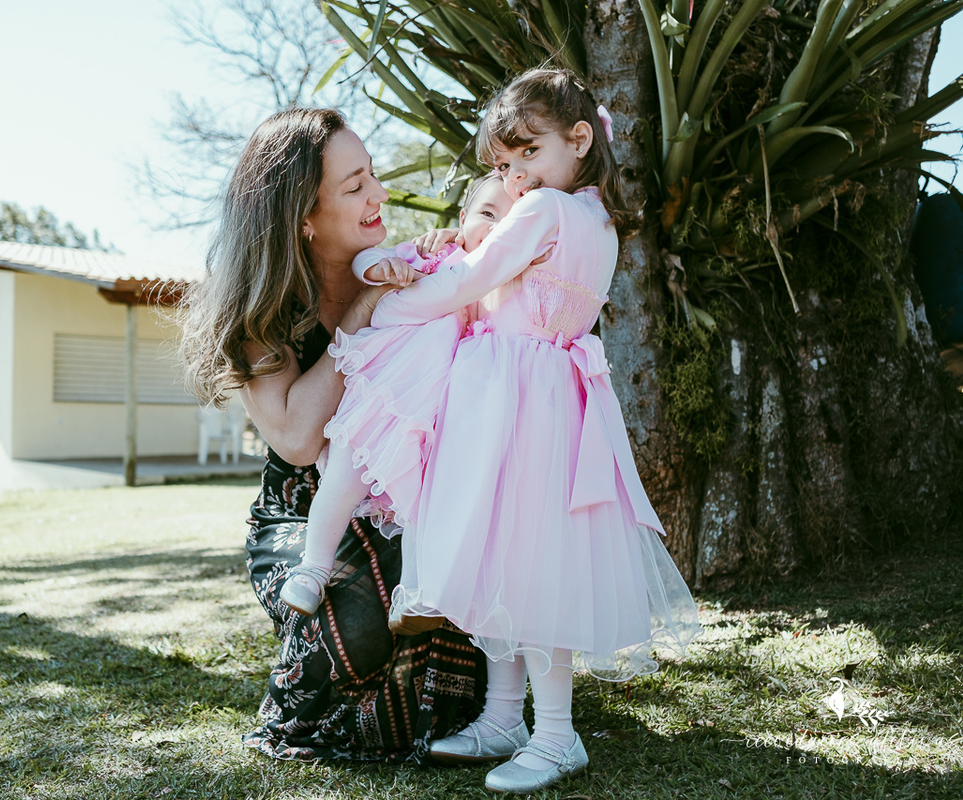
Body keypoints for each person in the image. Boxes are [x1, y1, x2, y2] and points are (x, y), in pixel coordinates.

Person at [296, 69, 704, 793]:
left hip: (513, 396)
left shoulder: (544, 209)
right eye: (506, 164)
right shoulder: (598, 219)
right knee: (509, 560)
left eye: (529, 155)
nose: (516, 177)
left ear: (580, 139)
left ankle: (555, 737)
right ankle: (504, 717)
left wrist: (388, 311)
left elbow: (468, 281)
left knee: (529, 567)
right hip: (547, 393)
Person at [179, 107, 484, 762]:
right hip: (302, 516)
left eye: (372, 174)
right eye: (355, 185)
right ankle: (320, 708)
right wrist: (364, 313)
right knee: (357, 613)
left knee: (443, 595)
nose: (380, 194)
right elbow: (295, 438)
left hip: (405, 502)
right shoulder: (261, 314)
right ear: (304, 219)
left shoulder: (406, 269)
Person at [277, 172, 515, 617]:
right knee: (344, 477)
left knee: (426, 503)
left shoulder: (502, 289)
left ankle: (416, 592)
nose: (495, 229)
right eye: (487, 214)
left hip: (437, 415)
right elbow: (368, 259)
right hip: (383, 394)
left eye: (511, 223)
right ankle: (312, 569)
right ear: (463, 218)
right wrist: (381, 268)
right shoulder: (435, 254)